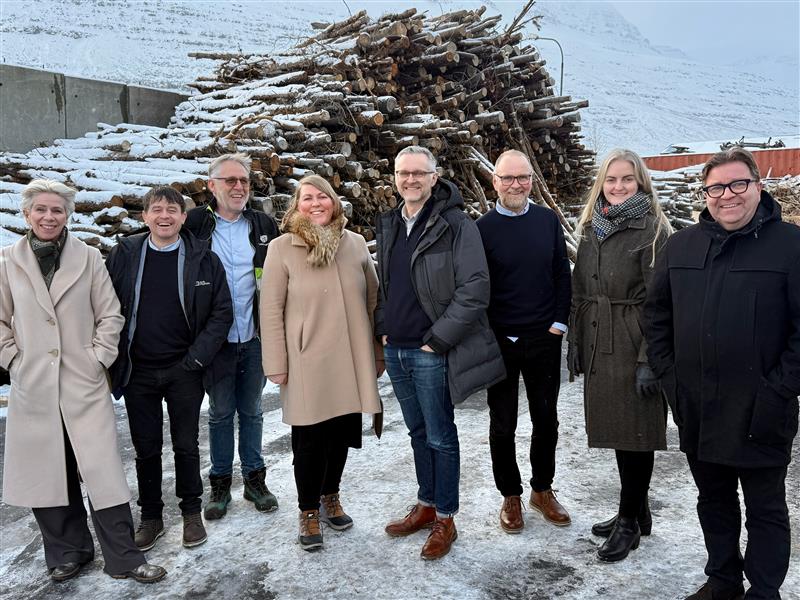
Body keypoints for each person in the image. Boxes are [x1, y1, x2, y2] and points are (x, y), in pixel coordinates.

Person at [645, 147, 800, 600]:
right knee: (713, 499)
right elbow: (656, 316)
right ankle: (723, 579)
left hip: (762, 408)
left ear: (758, 186)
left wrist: (781, 388)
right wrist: (671, 378)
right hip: (698, 405)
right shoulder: (682, 245)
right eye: (716, 187)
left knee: (765, 507)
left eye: (738, 184)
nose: (726, 195)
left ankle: (764, 590)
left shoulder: (791, 246)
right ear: (705, 193)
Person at [0, 179, 165, 584]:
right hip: (34, 384)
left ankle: (124, 557)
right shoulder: (7, 262)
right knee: (47, 471)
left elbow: (111, 315)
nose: (49, 216)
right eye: (41, 209)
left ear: (68, 214)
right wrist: (13, 360)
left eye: (57, 210)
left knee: (102, 471)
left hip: (83, 380)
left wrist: (97, 359)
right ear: (27, 214)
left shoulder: (89, 258)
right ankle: (67, 552)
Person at [375, 146, 506, 560]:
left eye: (419, 173)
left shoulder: (455, 224)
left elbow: (475, 288)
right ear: (394, 177)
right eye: (403, 172)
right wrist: (382, 329)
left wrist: (438, 339)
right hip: (396, 349)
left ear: (435, 177)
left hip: (430, 350)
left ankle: (446, 517)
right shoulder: (391, 222)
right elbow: (386, 284)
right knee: (416, 433)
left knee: (440, 435)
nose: (410, 179)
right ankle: (427, 503)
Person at [260, 175, 383, 551]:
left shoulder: (356, 244)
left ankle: (332, 495)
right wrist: (275, 363)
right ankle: (308, 510)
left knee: (342, 436)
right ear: (296, 206)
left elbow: (373, 301)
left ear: (335, 202)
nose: (316, 203)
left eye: (323, 197)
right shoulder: (282, 248)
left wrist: (375, 355)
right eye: (307, 198)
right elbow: (270, 309)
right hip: (305, 361)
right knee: (309, 441)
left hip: (350, 358)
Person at [106, 186, 232, 551]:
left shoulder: (203, 257)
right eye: (157, 209)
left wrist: (196, 358)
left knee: (186, 444)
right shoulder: (126, 254)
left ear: (182, 216)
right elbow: (105, 304)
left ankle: (191, 512)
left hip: (184, 368)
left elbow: (221, 312)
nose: (165, 216)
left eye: (172, 210)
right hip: (138, 370)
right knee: (146, 448)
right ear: (144, 216)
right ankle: (151, 517)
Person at [568, 149, 671, 562]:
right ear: (602, 184)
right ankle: (636, 510)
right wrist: (575, 341)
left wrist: (649, 359)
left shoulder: (653, 229)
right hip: (598, 340)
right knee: (618, 430)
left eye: (627, 179)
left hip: (633, 341)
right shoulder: (593, 226)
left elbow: (661, 303)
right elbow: (579, 288)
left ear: (641, 182)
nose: (618, 186)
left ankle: (629, 523)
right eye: (611, 180)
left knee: (637, 434)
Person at [476, 150, 573, 535]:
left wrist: (559, 324)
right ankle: (510, 495)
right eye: (508, 178)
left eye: (523, 178)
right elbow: (476, 285)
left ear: (531, 180)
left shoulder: (547, 221)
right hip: (500, 341)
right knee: (502, 424)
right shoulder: (481, 229)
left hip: (542, 339)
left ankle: (541, 490)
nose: (516, 185)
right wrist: (485, 332)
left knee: (545, 419)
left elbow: (561, 276)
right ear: (494, 181)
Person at [184, 153, 281, 519]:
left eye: (243, 181)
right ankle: (220, 484)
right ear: (211, 186)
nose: (239, 187)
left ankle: (256, 481)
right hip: (215, 341)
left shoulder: (262, 225)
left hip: (254, 337)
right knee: (221, 413)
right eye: (230, 181)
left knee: (253, 411)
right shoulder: (194, 224)